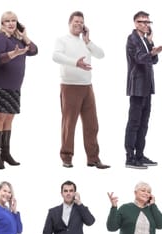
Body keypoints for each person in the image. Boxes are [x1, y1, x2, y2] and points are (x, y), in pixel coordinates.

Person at [52, 11, 109, 169]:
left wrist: (88, 41)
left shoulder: (85, 42)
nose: (78, 24)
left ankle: (93, 158)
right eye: (76, 21)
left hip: (87, 86)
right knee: (69, 124)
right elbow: (55, 56)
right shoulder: (62, 40)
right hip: (70, 86)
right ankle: (67, 157)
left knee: (92, 124)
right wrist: (75, 63)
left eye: (81, 22)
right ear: (69, 23)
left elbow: (101, 55)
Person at [0, 11, 37, 169]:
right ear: (2, 24)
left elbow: (34, 51)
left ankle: (5, 153)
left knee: (9, 119)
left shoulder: (18, 39)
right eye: (7, 21)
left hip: (14, 87)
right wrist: (13, 54)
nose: (11, 23)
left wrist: (25, 36)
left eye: (14, 20)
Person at [124, 11, 162, 169]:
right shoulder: (132, 38)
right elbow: (139, 58)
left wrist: (151, 45)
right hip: (137, 87)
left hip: (147, 87)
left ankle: (140, 155)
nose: (147, 25)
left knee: (144, 123)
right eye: (143, 22)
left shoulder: (145, 39)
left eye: (148, 22)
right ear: (136, 23)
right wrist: (150, 51)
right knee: (134, 123)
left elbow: (154, 60)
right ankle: (130, 157)